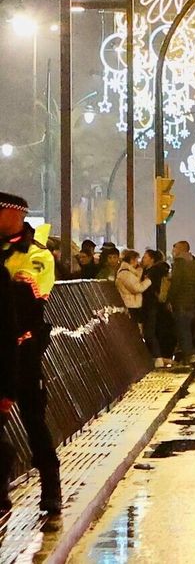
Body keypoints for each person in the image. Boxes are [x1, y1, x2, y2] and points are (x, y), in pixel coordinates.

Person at [0, 192, 60, 523]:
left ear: (16, 214)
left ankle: (51, 488)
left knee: (34, 420)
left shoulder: (37, 255)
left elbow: (26, 296)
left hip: (23, 348)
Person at [168, 241, 195, 366]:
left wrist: (169, 299)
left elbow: (176, 283)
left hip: (180, 301)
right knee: (186, 329)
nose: (173, 251)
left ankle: (190, 356)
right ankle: (186, 357)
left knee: (183, 330)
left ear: (181, 249)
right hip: (191, 302)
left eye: (175, 248)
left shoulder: (179, 263)